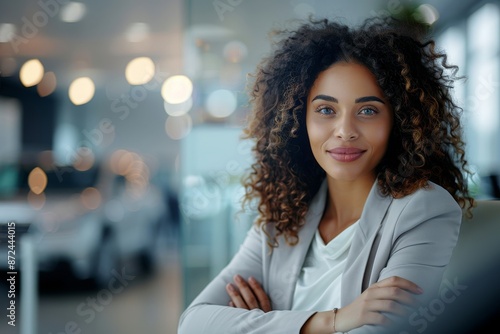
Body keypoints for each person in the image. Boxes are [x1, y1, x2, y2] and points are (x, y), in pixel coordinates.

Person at [178, 15, 474, 334]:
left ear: (399, 121)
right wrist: (330, 320)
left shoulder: (423, 211)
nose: (345, 131)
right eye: (326, 110)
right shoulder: (281, 219)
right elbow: (193, 323)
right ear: (298, 120)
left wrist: (261, 325)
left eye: (368, 110)